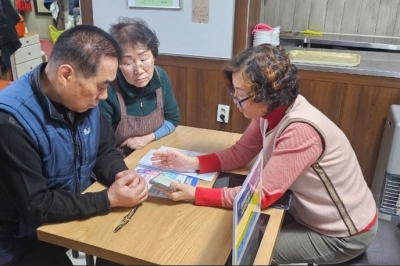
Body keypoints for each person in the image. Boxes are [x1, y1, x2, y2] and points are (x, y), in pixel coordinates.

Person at [150, 44, 378, 265]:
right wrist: (190, 163)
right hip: (310, 214)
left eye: (240, 95)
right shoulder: (271, 112)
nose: (236, 103)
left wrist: (195, 194)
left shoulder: (300, 130)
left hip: (344, 234)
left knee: (239, 253)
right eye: (234, 91)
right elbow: (241, 152)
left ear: (266, 95)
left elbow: (260, 196)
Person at [0, 25, 148, 265]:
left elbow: (104, 149)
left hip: (61, 219)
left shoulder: (83, 100)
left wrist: (120, 174)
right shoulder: (11, 122)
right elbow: (37, 204)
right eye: (101, 85)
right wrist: (108, 199)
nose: (104, 95)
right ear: (66, 75)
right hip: (19, 238)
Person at [99, 17, 180, 157]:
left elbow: (173, 119)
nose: (139, 69)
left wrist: (147, 138)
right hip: (119, 160)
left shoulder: (160, 77)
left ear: (154, 56)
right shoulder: (108, 90)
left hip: (152, 150)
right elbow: (104, 146)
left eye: (144, 59)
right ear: (117, 64)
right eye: (128, 63)